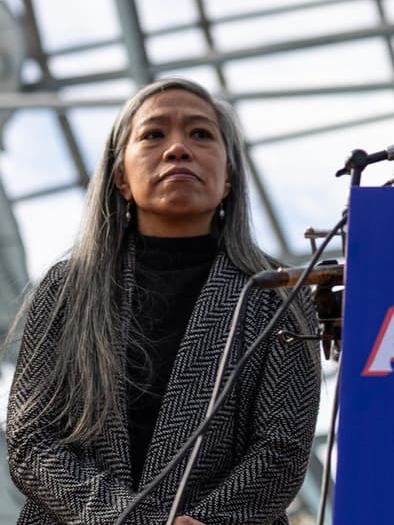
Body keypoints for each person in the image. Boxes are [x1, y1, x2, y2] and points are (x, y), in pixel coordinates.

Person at [5, 78, 321, 525]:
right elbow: (31, 438)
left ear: (229, 176)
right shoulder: (67, 288)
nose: (178, 149)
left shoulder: (277, 292)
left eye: (201, 134)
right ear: (121, 178)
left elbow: (282, 448)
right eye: (154, 135)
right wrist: (126, 518)